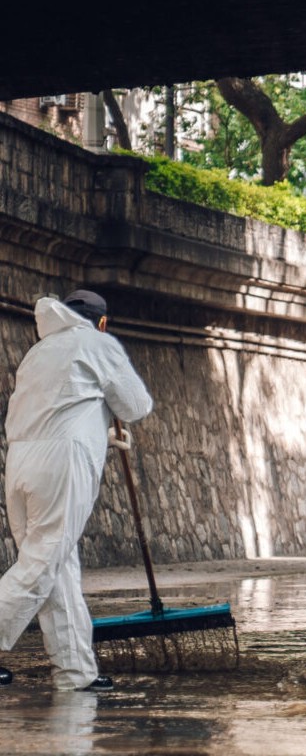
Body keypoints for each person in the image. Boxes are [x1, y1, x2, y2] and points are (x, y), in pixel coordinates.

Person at [0, 290, 153, 691]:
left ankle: (76, 673)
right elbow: (135, 406)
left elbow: (56, 413)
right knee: (42, 563)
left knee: (58, 567)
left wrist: (99, 433)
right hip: (61, 463)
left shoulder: (40, 351)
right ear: (101, 321)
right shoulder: (97, 342)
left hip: (20, 462)